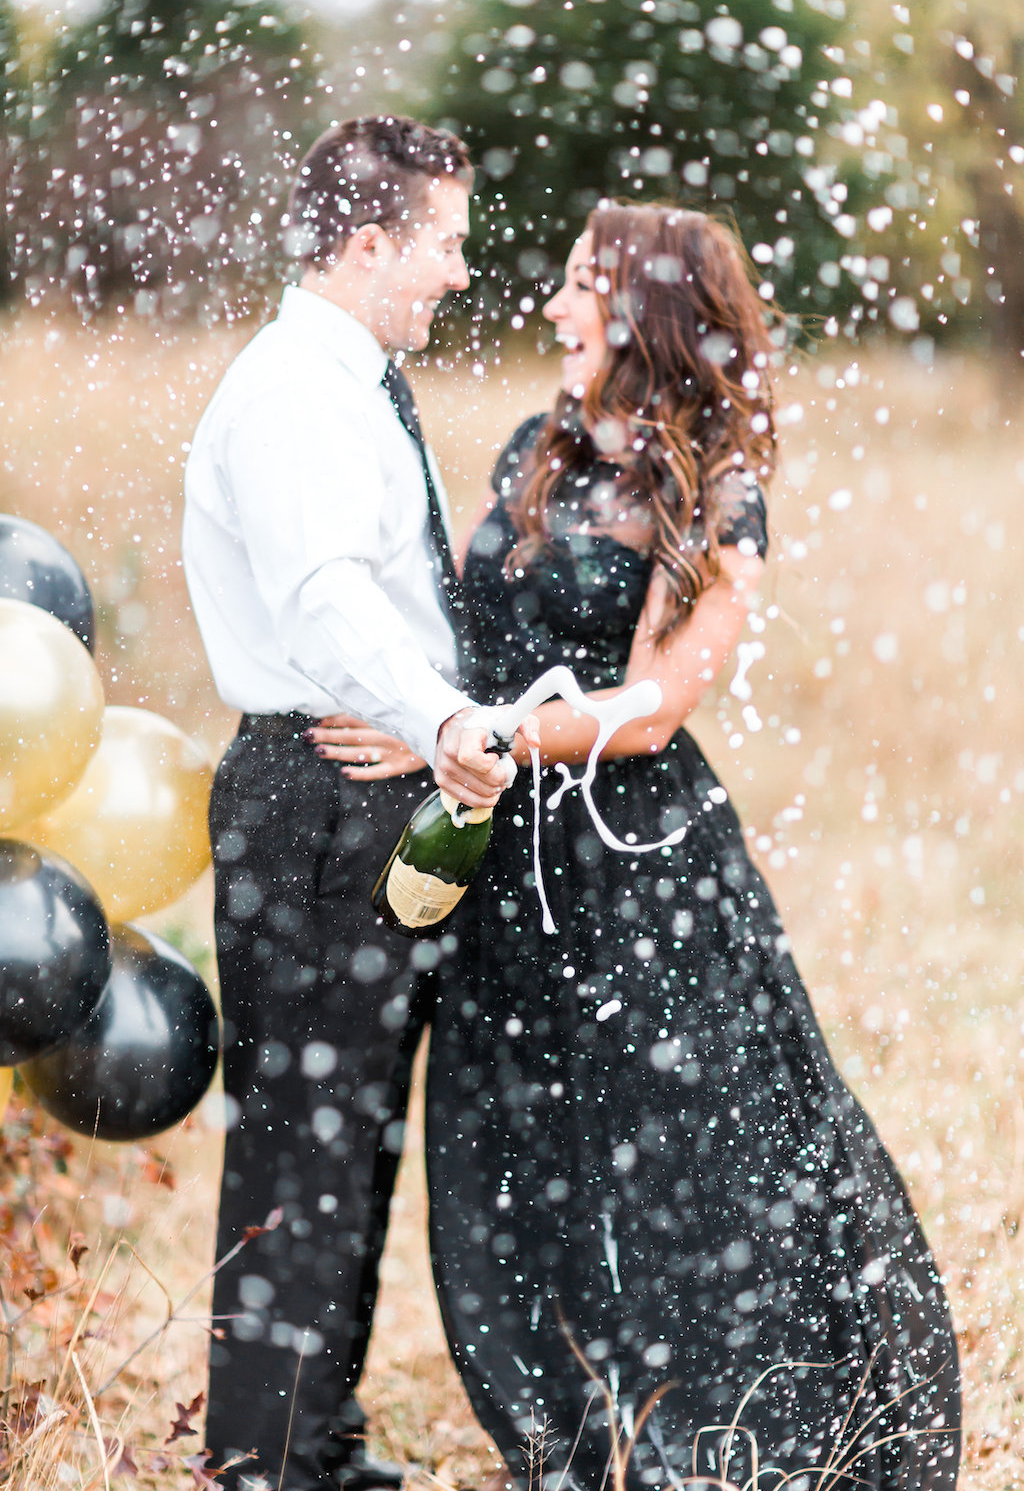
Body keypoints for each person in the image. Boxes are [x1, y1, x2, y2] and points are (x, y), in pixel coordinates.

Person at [320, 201, 961, 1488]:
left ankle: (736, 1435)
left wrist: (481, 733)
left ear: (647, 312)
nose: (553, 306)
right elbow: (450, 628)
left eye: (579, 286)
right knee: (508, 1149)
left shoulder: (718, 487)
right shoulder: (530, 452)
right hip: (500, 859)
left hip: (641, 870)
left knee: (688, 1159)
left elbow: (662, 699)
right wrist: (418, 716)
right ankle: (570, 1435)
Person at [182, 115, 526, 1491]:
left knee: (354, 1127)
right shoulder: (292, 397)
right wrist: (435, 720)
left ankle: (307, 1436)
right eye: (441, 242)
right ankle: (263, 1461)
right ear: (368, 243)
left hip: (363, 784)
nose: (459, 268)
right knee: (301, 1133)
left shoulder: (356, 381)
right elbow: (324, 598)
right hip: (319, 790)